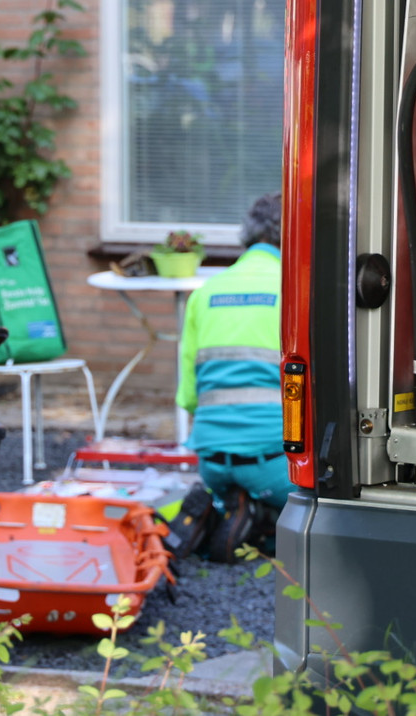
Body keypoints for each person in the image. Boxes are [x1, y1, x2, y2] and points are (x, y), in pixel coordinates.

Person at [167, 192, 290, 564]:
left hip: (212, 459)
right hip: (275, 463)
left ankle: (224, 505)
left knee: (227, 486)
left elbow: (188, 397)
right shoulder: (295, 289)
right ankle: (260, 518)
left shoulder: (205, 294)